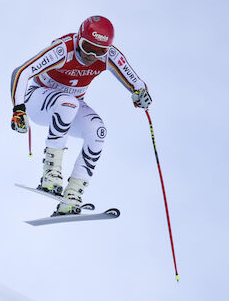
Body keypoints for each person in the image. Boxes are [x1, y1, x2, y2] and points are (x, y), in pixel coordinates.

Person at [10, 15, 152, 216]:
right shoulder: (63, 50)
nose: (92, 55)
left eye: (100, 50)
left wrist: (140, 94)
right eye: (87, 47)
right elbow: (21, 72)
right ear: (79, 39)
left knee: (98, 131)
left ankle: (73, 194)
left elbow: (136, 83)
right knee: (69, 102)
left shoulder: (109, 56)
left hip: (71, 106)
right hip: (39, 101)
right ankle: (51, 174)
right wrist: (18, 110)